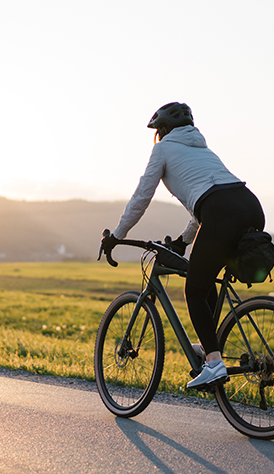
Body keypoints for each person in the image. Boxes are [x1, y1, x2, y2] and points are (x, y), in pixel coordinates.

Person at [101, 102, 265, 389]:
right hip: (250, 205)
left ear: (161, 131)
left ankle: (214, 363)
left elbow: (142, 197)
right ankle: (209, 347)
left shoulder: (162, 149)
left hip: (220, 212)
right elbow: (206, 204)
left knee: (194, 290)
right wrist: (182, 241)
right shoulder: (203, 150)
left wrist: (117, 234)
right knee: (206, 280)